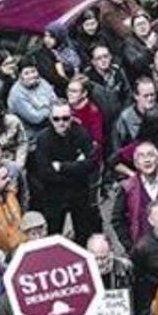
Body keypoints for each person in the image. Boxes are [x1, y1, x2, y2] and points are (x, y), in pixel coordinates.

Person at [30, 101, 102, 243]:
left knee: (84, 233)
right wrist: (77, 167)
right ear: (50, 119)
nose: (61, 123)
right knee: (53, 235)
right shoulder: (43, 139)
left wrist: (62, 167)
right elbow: (45, 173)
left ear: (71, 117)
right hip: (54, 195)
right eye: (56, 119)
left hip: (79, 193)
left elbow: (92, 163)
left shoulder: (81, 133)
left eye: (65, 118)